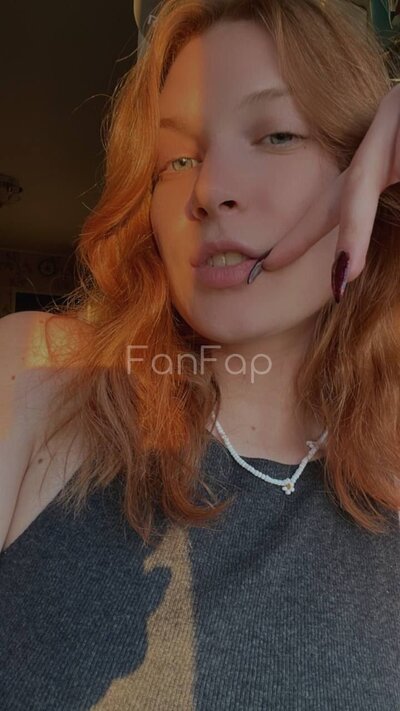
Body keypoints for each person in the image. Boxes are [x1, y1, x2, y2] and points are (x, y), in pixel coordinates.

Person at [1, 0, 400, 708]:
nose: (210, 191)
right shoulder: (39, 377)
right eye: (178, 160)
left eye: (277, 135)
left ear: (366, 167)